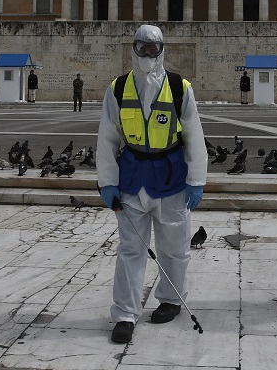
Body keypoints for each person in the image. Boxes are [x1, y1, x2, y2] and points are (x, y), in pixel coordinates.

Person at [96, 24, 208, 344]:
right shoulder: (118, 88)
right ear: (133, 48)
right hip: (132, 176)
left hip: (170, 175)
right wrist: (107, 181)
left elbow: (194, 136)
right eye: (141, 48)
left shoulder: (178, 87)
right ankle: (125, 314)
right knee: (131, 250)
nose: (147, 54)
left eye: (152, 48)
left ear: (161, 50)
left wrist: (197, 180)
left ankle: (171, 300)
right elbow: (106, 137)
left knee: (173, 248)